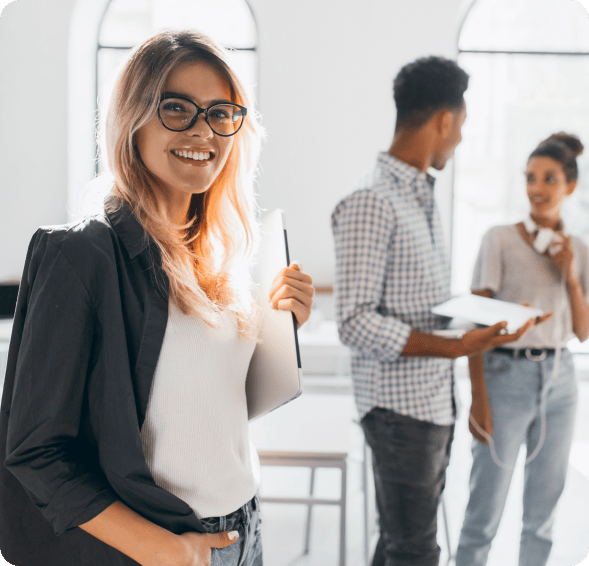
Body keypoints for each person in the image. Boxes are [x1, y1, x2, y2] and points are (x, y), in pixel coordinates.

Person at [0, 30, 314, 566]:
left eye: (221, 112)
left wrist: (284, 332)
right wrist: (164, 551)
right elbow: (34, 452)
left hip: (244, 530)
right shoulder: (80, 255)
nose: (203, 130)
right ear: (133, 119)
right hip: (160, 540)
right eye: (176, 108)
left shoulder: (224, 251)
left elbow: (200, 404)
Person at [331, 56, 543, 566]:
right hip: (397, 411)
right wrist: (455, 347)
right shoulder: (371, 200)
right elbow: (354, 321)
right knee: (417, 552)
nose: (461, 139)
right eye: (463, 126)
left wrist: (482, 318)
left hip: (429, 404)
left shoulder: (419, 196)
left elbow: (416, 303)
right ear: (444, 120)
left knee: (400, 545)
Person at [455, 133, 589, 566]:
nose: (536, 187)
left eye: (549, 178)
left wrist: (569, 276)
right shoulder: (499, 239)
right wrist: (478, 397)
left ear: (570, 185)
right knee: (484, 512)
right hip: (504, 376)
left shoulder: (580, 250)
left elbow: (584, 333)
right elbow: (477, 323)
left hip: (561, 380)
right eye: (530, 177)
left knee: (542, 516)